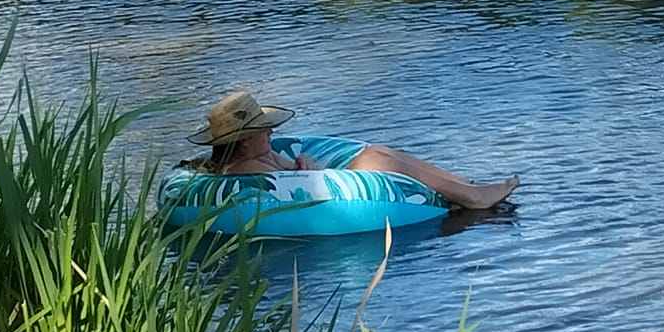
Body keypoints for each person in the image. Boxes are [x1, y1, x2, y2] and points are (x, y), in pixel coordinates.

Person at [186, 90, 519, 211]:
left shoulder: (260, 155)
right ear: (244, 140)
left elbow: (297, 166)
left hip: (324, 179)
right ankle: (470, 197)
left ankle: (464, 186)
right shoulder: (246, 170)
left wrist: (300, 165)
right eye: (263, 129)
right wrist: (303, 167)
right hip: (334, 193)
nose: (272, 131)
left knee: (379, 152)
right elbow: (294, 182)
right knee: (375, 158)